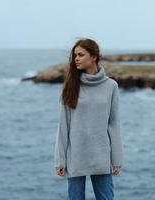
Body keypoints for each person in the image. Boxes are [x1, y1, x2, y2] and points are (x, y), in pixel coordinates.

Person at [54, 38, 123, 200]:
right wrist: (60, 160)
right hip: (75, 156)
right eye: (75, 55)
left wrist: (117, 158)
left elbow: (114, 124)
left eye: (80, 54)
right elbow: (63, 126)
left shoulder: (111, 86)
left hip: (101, 156)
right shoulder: (71, 86)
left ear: (94, 57)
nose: (76, 58)